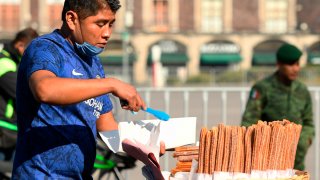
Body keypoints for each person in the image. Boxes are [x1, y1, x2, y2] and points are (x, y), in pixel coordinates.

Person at [12, 0, 164, 179]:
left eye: (111, 24)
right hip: (39, 175)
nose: (107, 33)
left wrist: (147, 148)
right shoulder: (45, 48)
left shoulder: (94, 64)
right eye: (100, 24)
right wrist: (112, 84)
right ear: (71, 19)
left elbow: (107, 127)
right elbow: (44, 89)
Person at [241, 43, 315, 170]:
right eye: (290, 64)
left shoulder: (302, 91)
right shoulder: (263, 88)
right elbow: (249, 122)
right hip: (267, 161)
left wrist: (304, 142)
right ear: (279, 64)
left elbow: (308, 122)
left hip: (296, 160)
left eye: (297, 64)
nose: (295, 69)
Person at [0, 28, 38, 161]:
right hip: (4, 126)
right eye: (30, 50)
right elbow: (21, 92)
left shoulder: (14, 61)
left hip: (9, 126)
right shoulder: (4, 63)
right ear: (20, 45)